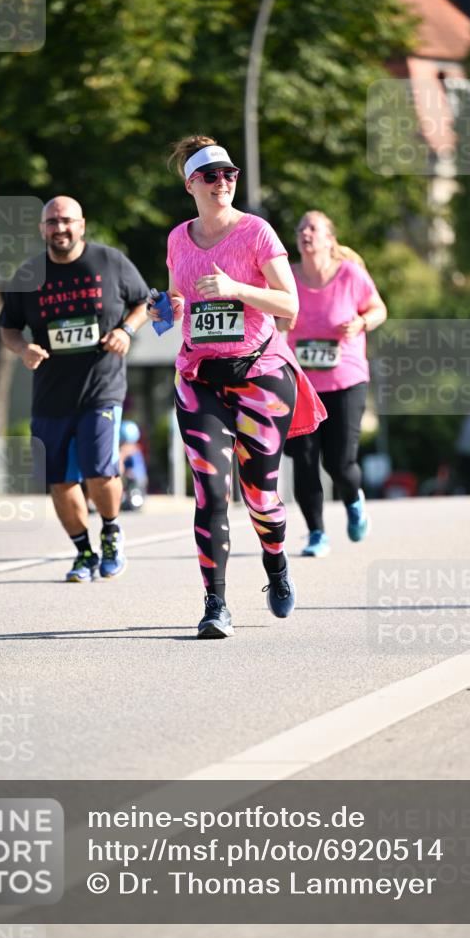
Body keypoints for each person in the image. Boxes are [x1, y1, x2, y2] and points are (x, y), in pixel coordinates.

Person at [149, 136, 326, 639]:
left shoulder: (257, 233)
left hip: (259, 375)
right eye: (211, 176)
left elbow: (289, 307)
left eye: (230, 174)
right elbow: (180, 295)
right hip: (199, 377)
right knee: (209, 491)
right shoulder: (178, 239)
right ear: (191, 185)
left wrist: (234, 289)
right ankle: (215, 604)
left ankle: (276, 566)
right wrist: (166, 308)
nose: (223, 182)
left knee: (260, 497)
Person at [0, 195, 149, 581]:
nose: (59, 228)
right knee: (60, 481)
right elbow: (9, 326)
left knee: (100, 471)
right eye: (52, 222)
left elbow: (144, 302)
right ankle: (84, 552)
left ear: (81, 225)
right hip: (50, 394)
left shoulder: (109, 262)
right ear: (42, 229)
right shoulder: (28, 275)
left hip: (102, 386)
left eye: (66, 220)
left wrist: (125, 331)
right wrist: (22, 349)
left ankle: (112, 532)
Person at [282, 210, 387, 557]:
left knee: (340, 462)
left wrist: (361, 322)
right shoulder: (287, 277)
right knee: (305, 460)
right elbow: (273, 317)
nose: (305, 233)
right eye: (301, 228)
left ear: (329, 238)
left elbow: (378, 309)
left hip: (346, 379)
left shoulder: (350, 275)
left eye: (313, 227)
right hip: (302, 384)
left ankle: (354, 501)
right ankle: (316, 534)